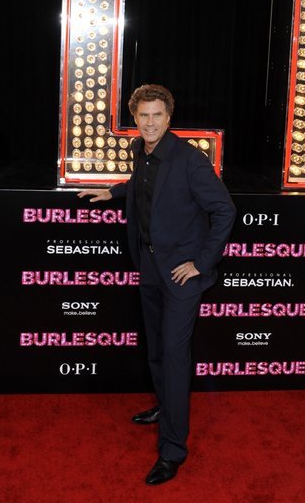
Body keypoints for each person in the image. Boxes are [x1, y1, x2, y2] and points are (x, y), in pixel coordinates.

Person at [78, 84, 236, 485]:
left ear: (169, 118)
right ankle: (166, 408)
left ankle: (173, 449)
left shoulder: (190, 159)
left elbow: (225, 210)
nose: (150, 123)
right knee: (156, 351)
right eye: (143, 116)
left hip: (181, 275)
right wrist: (113, 191)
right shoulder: (142, 151)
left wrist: (200, 263)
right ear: (135, 119)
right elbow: (144, 185)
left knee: (174, 356)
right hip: (149, 264)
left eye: (157, 116)